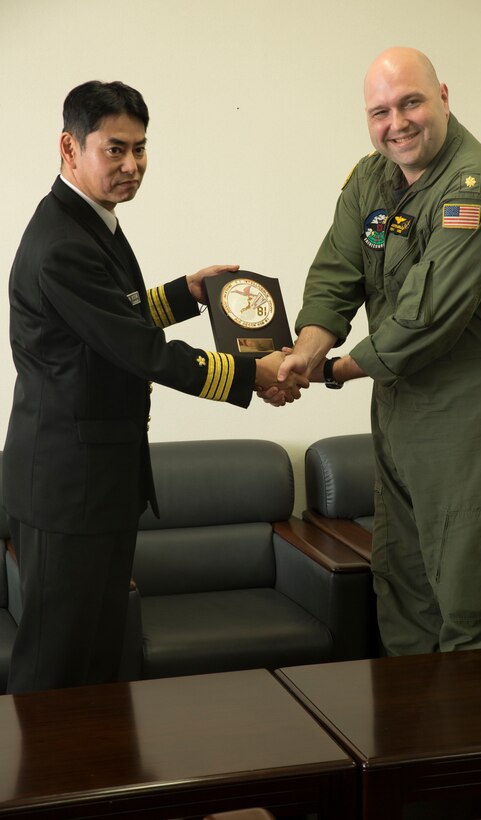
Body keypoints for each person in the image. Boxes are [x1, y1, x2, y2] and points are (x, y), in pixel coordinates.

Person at [2, 80, 306, 694]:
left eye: (141, 149)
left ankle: (95, 784)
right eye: (115, 149)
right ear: (69, 146)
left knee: (99, 658)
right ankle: (37, 788)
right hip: (69, 489)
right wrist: (256, 373)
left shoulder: (91, 222)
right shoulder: (62, 243)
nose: (132, 166)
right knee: (56, 666)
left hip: (98, 482)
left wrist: (187, 292)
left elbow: (118, 314)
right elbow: (139, 350)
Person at [275, 47, 481, 655]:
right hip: (399, 403)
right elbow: (337, 271)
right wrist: (308, 346)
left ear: (443, 96)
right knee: (404, 584)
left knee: (475, 597)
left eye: (411, 102)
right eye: (379, 111)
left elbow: (428, 318)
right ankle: (414, 746)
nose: (396, 123)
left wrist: (331, 372)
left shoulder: (479, 189)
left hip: (473, 410)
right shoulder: (372, 177)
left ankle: (477, 747)